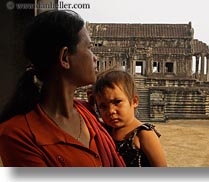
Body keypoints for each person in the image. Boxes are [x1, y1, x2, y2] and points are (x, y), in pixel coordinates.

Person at [0, 10, 125, 167]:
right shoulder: (17, 134)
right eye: (89, 47)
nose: (95, 57)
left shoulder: (87, 111)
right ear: (65, 57)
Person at [93, 68, 167, 167]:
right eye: (103, 106)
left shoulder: (144, 134)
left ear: (134, 101)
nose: (111, 111)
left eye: (117, 102)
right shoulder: (106, 130)